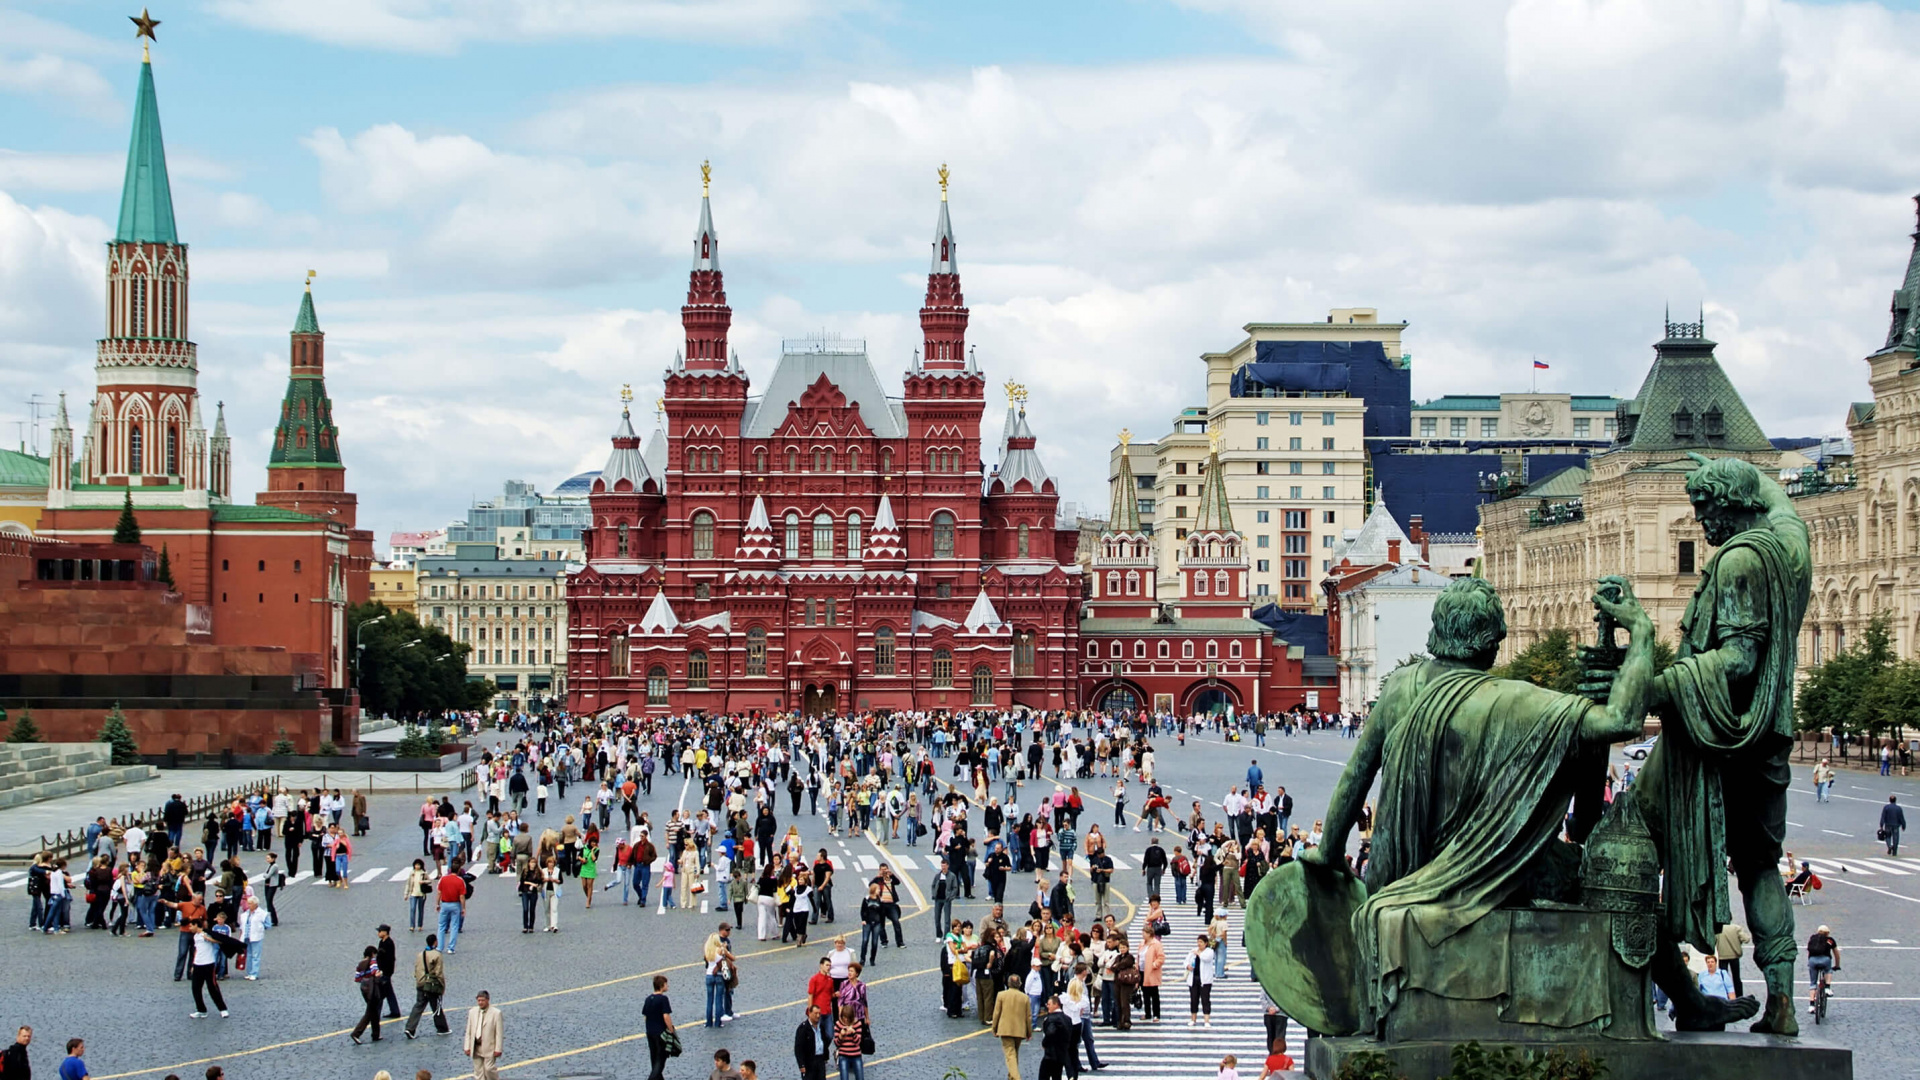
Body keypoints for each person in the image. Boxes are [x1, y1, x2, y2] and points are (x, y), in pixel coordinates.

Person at [405, 933, 449, 1039]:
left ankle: (410, 1028)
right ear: (435, 942)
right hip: (431, 984)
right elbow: (438, 972)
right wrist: (442, 985)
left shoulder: (420, 954)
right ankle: (442, 1028)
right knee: (436, 1006)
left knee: (419, 1005)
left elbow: (416, 969)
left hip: (420, 983)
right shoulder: (437, 955)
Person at [991, 972, 1033, 1080]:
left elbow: (996, 1013)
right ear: (1019, 984)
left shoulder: (1001, 995)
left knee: (1010, 1054)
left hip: (1005, 1029)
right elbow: (1028, 1016)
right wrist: (1029, 1032)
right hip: (1020, 1029)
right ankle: (1011, 1077)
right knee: (1014, 1053)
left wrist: (994, 1028)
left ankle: (1016, 1077)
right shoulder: (1025, 998)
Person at [186, 918, 230, 1019]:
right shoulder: (195, 936)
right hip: (198, 965)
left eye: (191, 926)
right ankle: (201, 1010)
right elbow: (197, 950)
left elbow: (220, 940)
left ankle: (223, 1009)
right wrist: (193, 964)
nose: (190, 928)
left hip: (208, 964)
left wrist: (209, 939)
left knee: (213, 988)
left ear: (196, 925)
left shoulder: (207, 934)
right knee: (195, 988)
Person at [463, 990, 505, 1080]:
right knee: (478, 1072)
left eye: (482, 1000)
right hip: (476, 1046)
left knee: (489, 1069)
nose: (480, 1003)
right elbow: (469, 1031)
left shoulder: (496, 1013)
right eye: (479, 1000)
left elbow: (499, 1033)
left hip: (489, 1047)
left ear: (488, 1000)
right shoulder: (472, 1012)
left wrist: (498, 1049)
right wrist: (467, 1046)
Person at [352, 945, 386, 1043]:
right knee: (371, 1011)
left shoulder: (360, 964)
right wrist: (380, 973)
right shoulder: (372, 961)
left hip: (364, 988)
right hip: (372, 988)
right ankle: (356, 1033)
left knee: (374, 1010)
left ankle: (376, 1034)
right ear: (372, 954)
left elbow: (357, 978)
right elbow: (375, 972)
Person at [643, 975, 675, 1080]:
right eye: (666, 984)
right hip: (661, 1033)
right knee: (661, 1060)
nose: (667, 986)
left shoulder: (648, 999)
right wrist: (671, 1030)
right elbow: (666, 1016)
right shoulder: (663, 999)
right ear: (662, 986)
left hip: (650, 1032)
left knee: (654, 1058)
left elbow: (645, 1017)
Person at [1037, 996, 1076, 1080]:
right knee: (1057, 1076)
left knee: (1043, 1075)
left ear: (1056, 1005)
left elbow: (1050, 1033)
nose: (1047, 1006)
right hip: (1062, 1054)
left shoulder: (1051, 1019)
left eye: (1049, 1004)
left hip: (1050, 1054)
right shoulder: (1068, 1019)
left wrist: (1044, 1043)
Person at [1806, 925, 1839, 1016]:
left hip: (1812, 960)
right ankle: (1827, 988)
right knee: (1828, 970)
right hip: (1825, 960)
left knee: (1813, 983)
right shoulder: (1830, 940)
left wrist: (1810, 962)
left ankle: (1811, 1005)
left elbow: (1809, 952)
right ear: (1827, 933)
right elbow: (1836, 953)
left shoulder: (1813, 938)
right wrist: (1837, 965)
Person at [436, 862, 468, 955]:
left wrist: (437, 904)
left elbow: (439, 892)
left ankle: (439, 947)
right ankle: (451, 948)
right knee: (454, 926)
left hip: (445, 904)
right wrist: (463, 908)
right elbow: (462, 896)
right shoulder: (460, 880)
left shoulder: (443, 879)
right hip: (455, 905)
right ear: (458, 870)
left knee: (441, 926)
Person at [1715, 921, 1753, 998]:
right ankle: (1739, 995)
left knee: (1723, 978)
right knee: (1736, 978)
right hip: (1734, 955)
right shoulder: (1736, 928)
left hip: (1722, 956)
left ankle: (1725, 995)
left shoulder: (1717, 929)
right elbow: (1746, 939)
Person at [793, 1004, 831, 1080]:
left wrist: (825, 1056)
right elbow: (798, 1048)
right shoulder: (803, 1029)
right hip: (809, 1061)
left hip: (820, 1060)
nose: (818, 1016)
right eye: (815, 1013)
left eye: (819, 1013)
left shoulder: (821, 1027)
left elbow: (825, 1042)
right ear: (809, 1013)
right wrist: (801, 1064)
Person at [1185, 933, 1215, 1028]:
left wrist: (1198, 953)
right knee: (1194, 999)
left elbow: (1206, 959)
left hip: (1205, 980)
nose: (1199, 944)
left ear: (1206, 943)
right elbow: (1186, 960)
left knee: (1205, 999)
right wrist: (1187, 966)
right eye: (1198, 942)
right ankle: (1193, 1019)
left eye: (1201, 942)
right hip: (1193, 978)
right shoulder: (1193, 951)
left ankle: (1206, 1020)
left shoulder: (1209, 951)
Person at [237, 896, 269, 980]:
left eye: (250, 903)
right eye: (248, 903)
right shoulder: (244, 914)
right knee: (249, 955)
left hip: (256, 937)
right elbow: (241, 926)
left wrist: (260, 928)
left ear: (255, 904)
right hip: (246, 937)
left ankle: (254, 973)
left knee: (256, 955)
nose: (248, 905)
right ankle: (249, 972)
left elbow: (268, 925)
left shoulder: (262, 913)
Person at [833, 1003, 864, 1080]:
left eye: (848, 1018)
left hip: (856, 1055)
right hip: (843, 1055)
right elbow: (837, 1043)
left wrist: (853, 1033)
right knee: (844, 1078)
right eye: (844, 1017)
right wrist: (841, 1036)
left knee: (860, 1077)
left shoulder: (857, 1024)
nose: (846, 1020)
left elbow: (858, 1042)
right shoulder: (838, 1024)